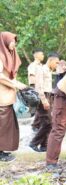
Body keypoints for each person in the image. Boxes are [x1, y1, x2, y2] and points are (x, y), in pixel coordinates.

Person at [0, 31, 27, 162]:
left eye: (15, 41)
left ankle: (2, 151)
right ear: (4, 41)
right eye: (12, 41)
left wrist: (19, 85)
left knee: (6, 125)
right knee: (2, 125)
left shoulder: (10, 55)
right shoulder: (1, 56)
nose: (14, 43)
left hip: (8, 96)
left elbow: (12, 76)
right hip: (1, 97)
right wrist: (15, 84)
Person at [29, 53, 60, 152]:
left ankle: (44, 146)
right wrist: (44, 100)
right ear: (50, 60)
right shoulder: (41, 69)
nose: (57, 65)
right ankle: (33, 143)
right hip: (43, 97)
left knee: (46, 122)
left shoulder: (48, 71)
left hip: (49, 96)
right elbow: (39, 87)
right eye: (56, 62)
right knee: (48, 123)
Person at [28, 49, 45, 130]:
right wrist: (34, 92)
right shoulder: (32, 66)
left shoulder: (41, 66)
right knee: (38, 109)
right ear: (36, 55)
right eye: (42, 54)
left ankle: (37, 126)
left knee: (41, 109)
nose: (43, 56)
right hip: (36, 91)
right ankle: (35, 126)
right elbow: (32, 79)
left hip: (42, 90)